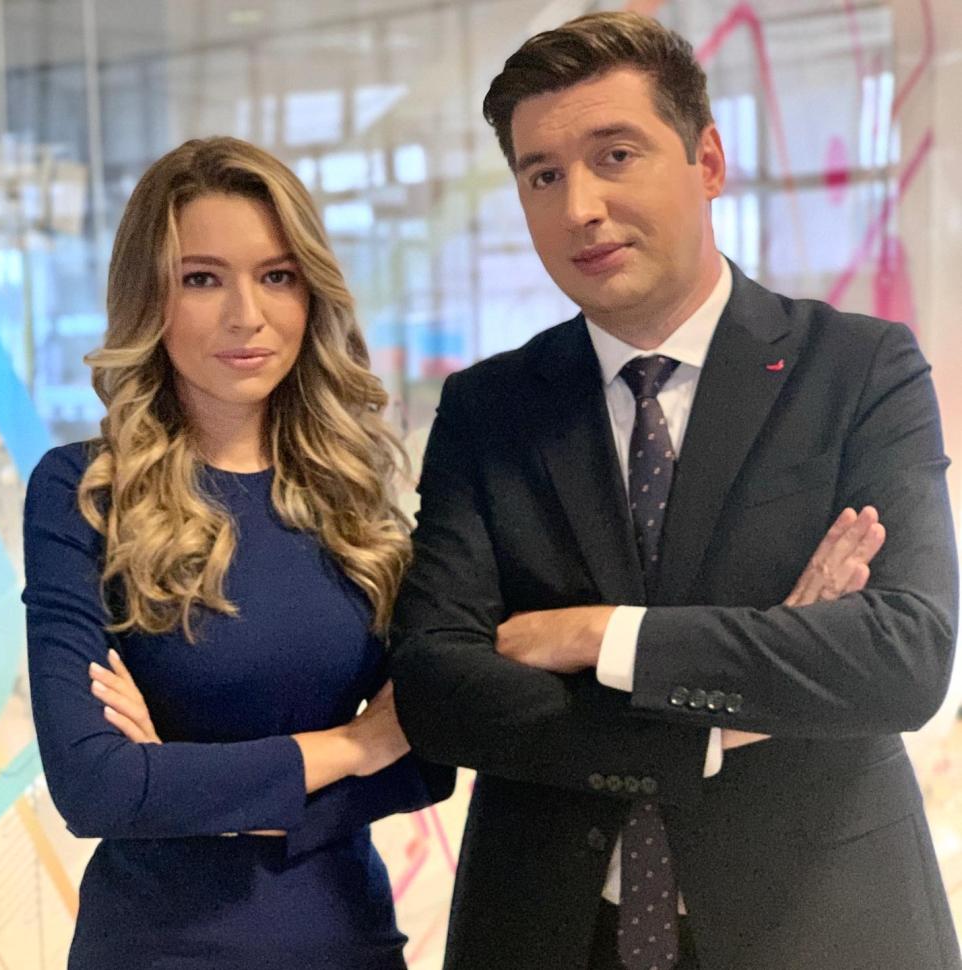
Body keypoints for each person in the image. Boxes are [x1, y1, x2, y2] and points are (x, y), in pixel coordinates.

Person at [389, 12, 959, 970]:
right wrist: (724, 716)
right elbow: (438, 687)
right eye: (542, 176)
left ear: (708, 161)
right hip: (548, 931)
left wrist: (601, 637)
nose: (580, 207)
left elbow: (902, 656)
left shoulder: (857, 368)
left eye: (615, 155)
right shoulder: (491, 408)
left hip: (818, 923)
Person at [22, 136, 453, 970]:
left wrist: (181, 786)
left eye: (277, 276)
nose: (246, 315)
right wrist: (355, 747)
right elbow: (96, 787)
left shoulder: (351, 495)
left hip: (351, 944)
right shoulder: (85, 492)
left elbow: (428, 760)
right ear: (149, 296)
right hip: (156, 952)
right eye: (202, 279)